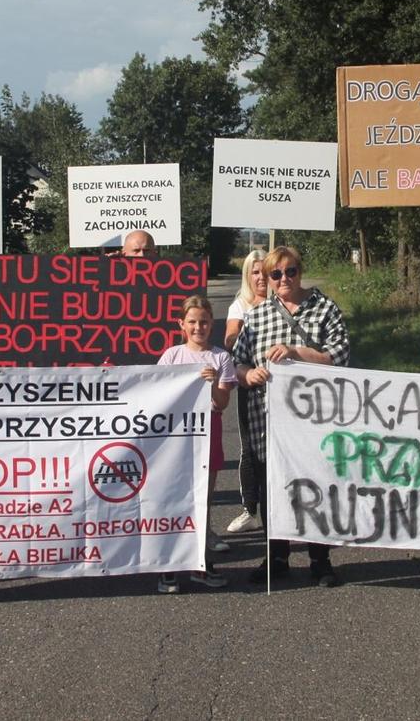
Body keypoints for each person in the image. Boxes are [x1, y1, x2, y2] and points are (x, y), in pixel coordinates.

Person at [232, 246, 350, 587]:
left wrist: (299, 352)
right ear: (266, 278)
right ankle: (277, 556)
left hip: (316, 419)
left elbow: (339, 357)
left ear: (300, 271)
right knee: (273, 488)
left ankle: (320, 558)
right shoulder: (257, 316)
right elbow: (237, 362)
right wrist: (247, 375)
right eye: (275, 274)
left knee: (315, 484)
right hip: (267, 418)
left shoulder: (325, 308)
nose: (284, 279)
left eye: (290, 271)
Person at [156, 296, 237, 593]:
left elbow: (223, 402)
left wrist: (215, 383)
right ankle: (169, 566)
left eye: (203, 321)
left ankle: (199, 563)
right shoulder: (171, 357)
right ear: (181, 325)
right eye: (192, 321)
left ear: (211, 324)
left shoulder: (221, 358)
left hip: (208, 434)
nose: (198, 327)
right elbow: (157, 396)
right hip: (175, 440)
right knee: (173, 500)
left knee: (201, 500)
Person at [224, 250, 267, 534]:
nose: (262, 277)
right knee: (250, 449)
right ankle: (251, 510)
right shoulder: (240, 306)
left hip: (287, 388)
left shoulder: (284, 302)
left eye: (267, 271)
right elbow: (229, 340)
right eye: (255, 272)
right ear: (247, 275)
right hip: (251, 385)